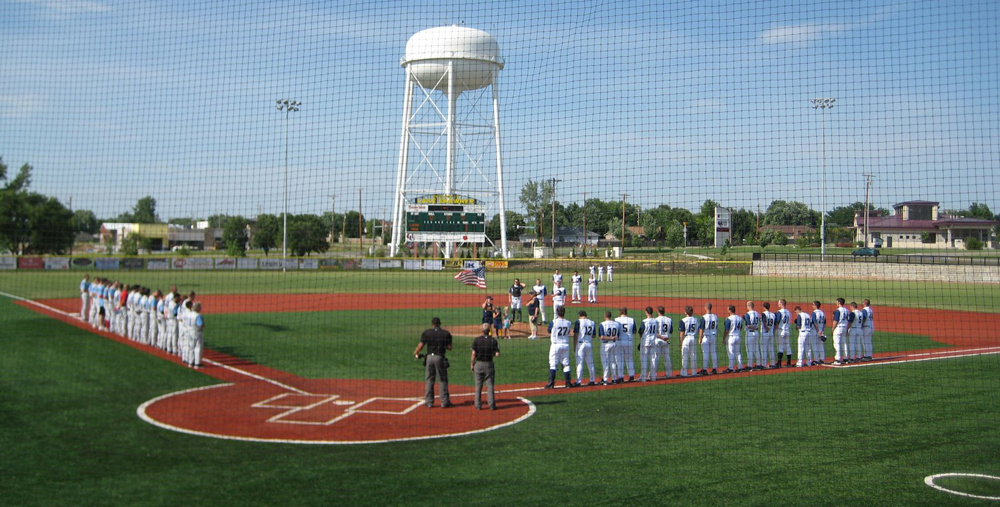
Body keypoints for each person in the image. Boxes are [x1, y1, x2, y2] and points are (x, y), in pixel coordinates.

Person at [413, 317, 453, 408]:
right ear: (440, 324)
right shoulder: (445, 333)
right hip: (439, 357)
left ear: (432, 324)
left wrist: (415, 353)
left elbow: (421, 345)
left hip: (429, 358)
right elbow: (450, 348)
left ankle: (429, 402)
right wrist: (441, 344)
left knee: (429, 380)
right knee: (442, 380)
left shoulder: (427, 333)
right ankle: (444, 402)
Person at [470, 323, 500, 410]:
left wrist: (472, 364)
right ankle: (491, 405)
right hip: (489, 364)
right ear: (489, 330)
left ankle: (478, 405)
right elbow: (497, 354)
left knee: (478, 385)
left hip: (479, 364)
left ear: (482, 331)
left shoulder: (477, 340)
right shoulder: (493, 341)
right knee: (490, 385)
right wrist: (491, 353)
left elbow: (473, 353)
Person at [546, 306, 573, 389]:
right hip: (565, 344)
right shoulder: (568, 323)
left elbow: (549, 330)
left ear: (557, 313)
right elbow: (568, 332)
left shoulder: (553, 322)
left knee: (553, 364)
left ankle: (551, 383)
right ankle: (568, 383)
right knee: (566, 364)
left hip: (555, 345)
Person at [573, 310, 596, 386]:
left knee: (579, 363)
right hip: (589, 344)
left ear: (579, 315)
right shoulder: (592, 322)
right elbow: (594, 335)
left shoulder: (578, 321)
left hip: (580, 344)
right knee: (590, 363)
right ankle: (592, 380)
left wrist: (574, 346)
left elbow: (575, 334)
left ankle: (578, 381)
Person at [598, 311, 621, 385]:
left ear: (604, 316)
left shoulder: (602, 324)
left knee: (605, 363)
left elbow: (602, 337)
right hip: (614, 344)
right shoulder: (616, 324)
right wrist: (613, 338)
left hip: (606, 345)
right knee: (613, 362)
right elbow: (617, 336)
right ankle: (614, 379)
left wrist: (610, 338)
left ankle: (605, 379)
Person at [614, 307, 636, 382]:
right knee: (629, 359)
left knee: (619, 360)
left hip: (619, 341)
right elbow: (634, 331)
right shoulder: (631, 320)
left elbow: (615, 332)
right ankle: (631, 376)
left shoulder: (616, 320)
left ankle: (621, 377)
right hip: (629, 341)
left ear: (620, 312)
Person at [638, 306, 659, 381]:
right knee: (653, 359)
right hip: (653, 342)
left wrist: (642, 339)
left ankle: (643, 377)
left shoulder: (644, 321)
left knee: (644, 359)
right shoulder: (656, 321)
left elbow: (640, 332)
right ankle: (653, 377)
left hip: (645, 342)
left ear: (646, 312)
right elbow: (657, 331)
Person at [680, 306, 700, 377]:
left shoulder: (683, 320)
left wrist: (681, 342)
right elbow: (698, 329)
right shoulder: (696, 319)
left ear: (685, 312)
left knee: (685, 356)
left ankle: (684, 373)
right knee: (693, 355)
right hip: (693, 338)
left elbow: (682, 333)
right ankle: (694, 372)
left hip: (686, 339)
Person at [723, 305, 744, 373]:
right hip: (738, 336)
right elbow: (741, 328)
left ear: (730, 310)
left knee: (731, 353)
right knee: (738, 352)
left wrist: (724, 338)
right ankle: (740, 367)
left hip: (731, 337)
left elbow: (726, 330)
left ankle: (731, 368)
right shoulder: (740, 318)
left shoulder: (728, 319)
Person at [699, 303, 719, 375]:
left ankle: (704, 369)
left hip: (706, 337)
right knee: (713, 352)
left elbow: (701, 329)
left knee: (705, 353)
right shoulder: (715, 317)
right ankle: (715, 368)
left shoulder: (703, 317)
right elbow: (716, 327)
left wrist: (700, 338)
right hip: (713, 336)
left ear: (705, 308)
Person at [654, 306, 673, 379]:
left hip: (658, 340)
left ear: (658, 312)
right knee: (667, 357)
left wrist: (661, 337)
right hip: (666, 340)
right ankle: (669, 374)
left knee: (656, 357)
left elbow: (654, 332)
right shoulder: (669, 319)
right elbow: (671, 331)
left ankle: (653, 374)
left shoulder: (656, 320)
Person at [831, 298, 851, 365]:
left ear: (839, 302)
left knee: (837, 344)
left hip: (838, 328)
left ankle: (837, 359)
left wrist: (833, 328)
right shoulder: (847, 310)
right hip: (844, 327)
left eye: (837, 302)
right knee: (844, 343)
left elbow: (835, 321)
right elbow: (848, 320)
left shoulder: (838, 310)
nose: (836, 303)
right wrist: (847, 329)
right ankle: (845, 358)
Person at [744, 301, 763, 370]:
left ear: (749, 306)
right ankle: (758, 364)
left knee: (749, 350)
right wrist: (756, 327)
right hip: (756, 333)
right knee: (756, 349)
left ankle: (749, 365)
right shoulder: (757, 313)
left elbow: (748, 325)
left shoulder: (747, 314)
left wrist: (754, 327)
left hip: (750, 333)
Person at [776, 299, 794, 367]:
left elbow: (777, 322)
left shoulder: (779, 312)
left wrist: (774, 329)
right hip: (787, 330)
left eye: (779, 303)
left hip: (781, 331)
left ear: (781, 304)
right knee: (787, 346)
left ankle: (779, 363)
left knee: (780, 346)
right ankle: (789, 362)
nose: (778, 304)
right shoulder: (788, 312)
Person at [761, 302, 777, 368]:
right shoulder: (773, 314)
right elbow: (775, 324)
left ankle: (764, 364)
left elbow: (764, 322)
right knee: (771, 349)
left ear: (763, 307)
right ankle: (773, 363)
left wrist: (766, 328)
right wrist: (773, 330)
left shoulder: (763, 314)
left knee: (764, 349)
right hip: (771, 333)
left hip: (765, 333)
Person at [189, 302, 205, 368]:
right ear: (197, 308)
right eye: (200, 307)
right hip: (196, 332)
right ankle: (197, 363)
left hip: (189, 332)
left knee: (191, 347)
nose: (201, 308)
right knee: (198, 347)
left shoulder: (189, 314)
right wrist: (202, 327)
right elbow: (200, 324)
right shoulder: (198, 315)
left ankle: (190, 362)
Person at [811, 301, 828, 365]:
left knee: (814, 345)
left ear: (815, 305)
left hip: (815, 331)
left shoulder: (814, 313)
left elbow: (814, 322)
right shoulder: (822, 313)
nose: (812, 306)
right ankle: (822, 359)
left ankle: (816, 359)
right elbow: (825, 322)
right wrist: (822, 331)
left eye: (813, 304)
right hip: (821, 330)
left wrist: (818, 331)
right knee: (821, 345)